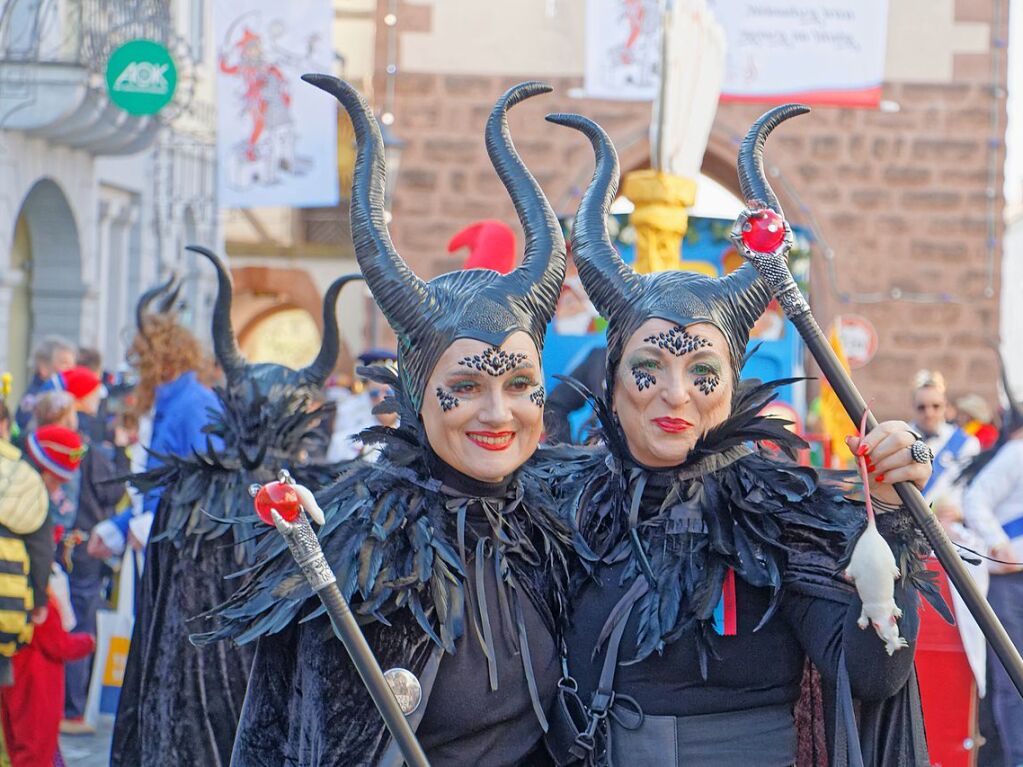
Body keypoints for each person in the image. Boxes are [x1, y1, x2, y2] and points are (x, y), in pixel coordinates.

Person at [542, 109, 941, 766]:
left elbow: (871, 675)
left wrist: (891, 519)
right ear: (611, 380)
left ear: (734, 383)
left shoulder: (781, 512)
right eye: (650, 368)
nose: (676, 394)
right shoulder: (560, 506)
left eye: (702, 370)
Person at [200, 76, 573, 767]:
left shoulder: (560, 524)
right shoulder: (357, 548)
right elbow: (286, 734)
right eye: (464, 386)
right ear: (415, 393)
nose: (498, 412)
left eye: (520, 384)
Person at [109, 258, 359, 767]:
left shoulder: (192, 491)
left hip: (182, 715)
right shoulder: (316, 499)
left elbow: (151, 619)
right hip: (264, 715)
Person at [56, 365, 128, 734]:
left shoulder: (58, 438)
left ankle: (65, 705)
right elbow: (113, 491)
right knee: (81, 624)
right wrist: (122, 454)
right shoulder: (91, 443)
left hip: (65, 545)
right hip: (84, 546)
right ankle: (72, 709)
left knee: (63, 621)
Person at [962, 370, 1023, 767]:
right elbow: (976, 499)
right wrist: (1000, 544)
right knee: (1013, 678)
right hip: (1011, 581)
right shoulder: (1018, 453)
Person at [0, 577, 94, 767]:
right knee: (34, 752)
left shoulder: (12, 594)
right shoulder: (39, 601)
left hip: (12, 681)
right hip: (37, 687)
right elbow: (59, 645)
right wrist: (89, 642)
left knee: (17, 747)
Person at [0, 399, 50, 685]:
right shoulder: (25, 478)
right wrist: (39, 599)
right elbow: (40, 547)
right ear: (4, 426)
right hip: (6, 596)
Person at [910, 370, 980, 507]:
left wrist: (958, 512)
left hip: (946, 522)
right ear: (913, 407)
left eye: (935, 406)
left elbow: (970, 489)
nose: (929, 413)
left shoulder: (967, 444)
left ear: (946, 406)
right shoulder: (900, 439)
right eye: (921, 407)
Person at [327, 349, 399, 462]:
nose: (381, 399)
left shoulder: (418, 433)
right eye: (374, 394)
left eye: (388, 393)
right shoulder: (347, 440)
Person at [15, 336, 76, 434]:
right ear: (43, 366)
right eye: (64, 363)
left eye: (72, 365)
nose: (71, 371)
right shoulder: (33, 398)